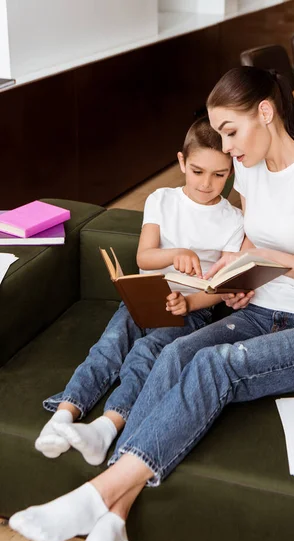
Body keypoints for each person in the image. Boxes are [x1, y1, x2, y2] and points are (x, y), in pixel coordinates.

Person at [10, 66, 294, 541]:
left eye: (231, 132)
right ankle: (116, 521)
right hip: (260, 309)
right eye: (219, 136)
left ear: (265, 112)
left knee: (215, 364)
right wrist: (225, 282)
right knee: (175, 354)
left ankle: (99, 497)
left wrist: (270, 256)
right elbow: (247, 250)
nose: (227, 147)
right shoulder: (253, 171)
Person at [34, 115, 244, 466]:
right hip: (143, 294)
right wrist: (178, 253)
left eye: (219, 175)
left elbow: (223, 287)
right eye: (197, 171)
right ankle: (64, 414)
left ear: (232, 170)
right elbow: (144, 255)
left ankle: (107, 427)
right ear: (181, 162)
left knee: (146, 353)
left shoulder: (233, 220)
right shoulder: (161, 199)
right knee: (109, 344)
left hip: (189, 310)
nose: (207, 184)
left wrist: (189, 302)